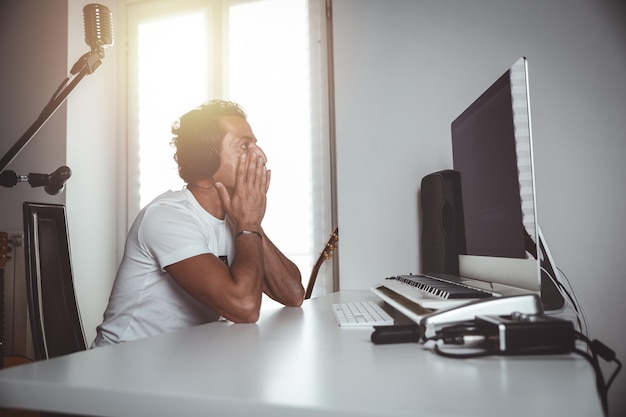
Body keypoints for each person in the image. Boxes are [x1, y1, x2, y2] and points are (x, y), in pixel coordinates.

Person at [92, 99, 304, 347]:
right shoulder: (167, 217)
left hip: (181, 364)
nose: (262, 156)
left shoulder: (237, 222)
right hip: (122, 366)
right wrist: (248, 222)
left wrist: (250, 223)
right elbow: (244, 307)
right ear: (207, 158)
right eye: (245, 145)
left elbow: (293, 294)